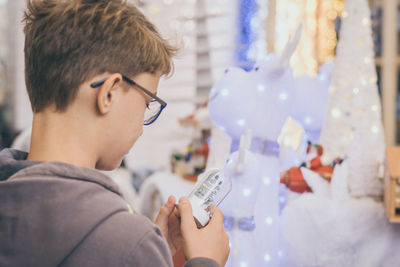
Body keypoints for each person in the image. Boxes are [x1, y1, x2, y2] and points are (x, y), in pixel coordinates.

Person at [0, 0, 230, 266]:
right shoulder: (126, 243)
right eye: (145, 104)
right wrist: (205, 261)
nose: (141, 128)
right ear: (108, 93)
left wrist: (152, 250)